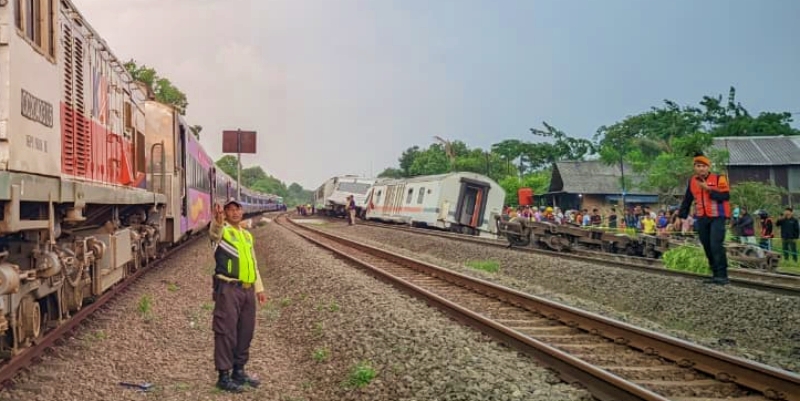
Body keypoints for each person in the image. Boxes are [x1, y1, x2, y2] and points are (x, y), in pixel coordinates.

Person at [209, 199, 268, 392]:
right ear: (225, 214)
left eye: (237, 209)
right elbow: (214, 233)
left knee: (245, 331)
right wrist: (218, 221)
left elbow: (253, 263)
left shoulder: (246, 235)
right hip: (228, 288)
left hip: (247, 290)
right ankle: (223, 376)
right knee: (226, 331)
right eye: (230, 210)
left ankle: (239, 371)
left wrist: (259, 288)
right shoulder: (222, 232)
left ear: (242, 212)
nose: (234, 212)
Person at [676, 153, 731, 285]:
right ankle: (715, 274)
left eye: (704, 166)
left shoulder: (719, 178)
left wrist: (709, 189)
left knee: (716, 245)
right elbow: (687, 200)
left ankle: (722, 276)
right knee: (707, 246)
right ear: (695, 167)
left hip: (718, 216)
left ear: (708, 167)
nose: (701, 168)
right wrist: (680, 217)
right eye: (698, 166)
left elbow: (725, 196)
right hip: (702, 217)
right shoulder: (692, 181)